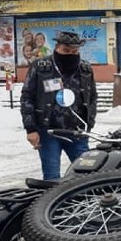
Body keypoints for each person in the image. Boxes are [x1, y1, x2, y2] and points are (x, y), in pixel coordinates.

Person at [21, 30, 98, 180]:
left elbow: (93, 97)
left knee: (87, 176)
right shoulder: (41, 67)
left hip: (77, 132)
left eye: (74, 51)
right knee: (52, 179)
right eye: (66, 50)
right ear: (57, 48)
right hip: (48, 131)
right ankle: (53, 203)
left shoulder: (85, 69)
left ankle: (84, 203)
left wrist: (89, 122)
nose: (70, 54)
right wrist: (30, 128)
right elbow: (27, 97)